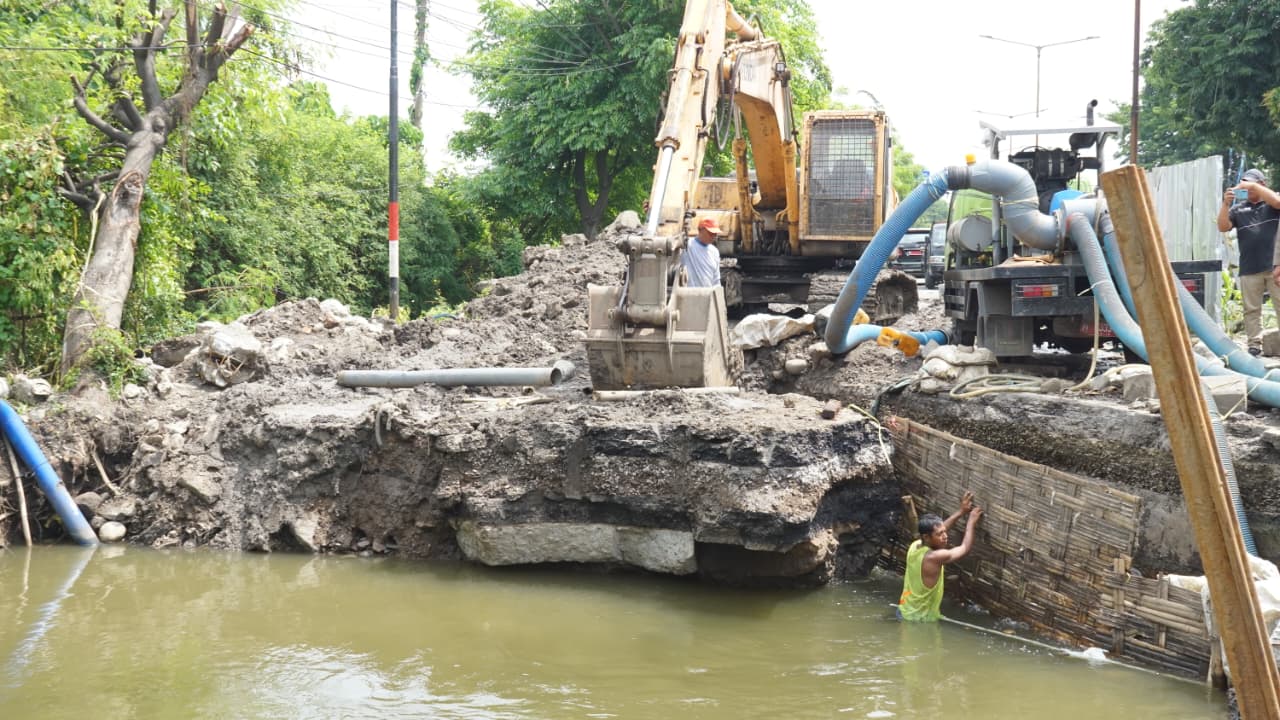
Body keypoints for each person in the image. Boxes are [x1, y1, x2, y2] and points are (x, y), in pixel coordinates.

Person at [1218, 168, 1280, 356]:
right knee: (1251, 309)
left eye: (1252, 184)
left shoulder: (1272, 202)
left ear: (1262, 184)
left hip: (1275, 266)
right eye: (1244, 184)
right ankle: (1254, 344)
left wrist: (1253, 186)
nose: (1247, 188)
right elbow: (1223, 226)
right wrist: (1226, 204)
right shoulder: (1239, 209)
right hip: (1249, 266)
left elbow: (1277, 201)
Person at [898, 491, 983, 622]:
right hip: (918, 620)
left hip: (904, 609)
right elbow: (964, 548)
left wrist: (961, 512)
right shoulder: (935, 557)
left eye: (944, 532)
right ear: (927, 537)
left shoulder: (915, 546)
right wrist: (971, 522)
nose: (945, 536)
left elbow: (941, 529)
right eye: (940, 534)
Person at [682, 217, 722, 288]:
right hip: (688, 295)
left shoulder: (714, 252)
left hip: (707, 295)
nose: (713, 236)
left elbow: (716, 279)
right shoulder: (687, 245)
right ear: (701, 230)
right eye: (711, 233)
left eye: (715, 234)